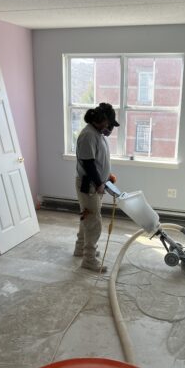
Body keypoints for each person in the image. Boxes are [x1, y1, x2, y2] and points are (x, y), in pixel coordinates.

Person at [74, 102, 120, 272]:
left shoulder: (98, 134)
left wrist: (106, 176)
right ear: (102, 120)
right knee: (94, 221)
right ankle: (89, 259)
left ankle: (81, 248)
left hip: (97, 184)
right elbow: (88, 164)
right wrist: (99, 183)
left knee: (87, 217)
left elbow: (99, 160)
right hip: (90, 186)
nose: (110, 130)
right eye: (109, 125)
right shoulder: (88, 135)